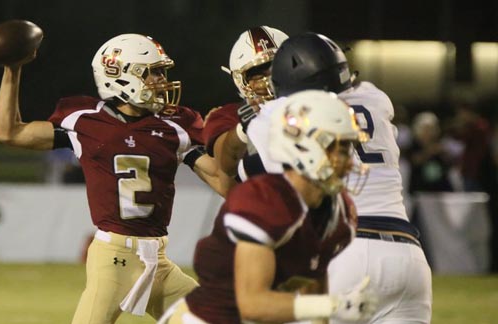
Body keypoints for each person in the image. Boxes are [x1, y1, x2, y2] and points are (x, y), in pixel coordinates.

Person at [0, 33, 224, 323]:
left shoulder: (174, 124)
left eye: (161, 73)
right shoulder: (86, 120)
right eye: (152, 73)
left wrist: (227, 140)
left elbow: (222, 181)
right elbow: (9, 132)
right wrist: (12, 69)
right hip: (113, 258)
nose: (161, 81)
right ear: (122, 75)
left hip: (158, 263)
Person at [255, 32, 431, 323]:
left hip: (347, 250)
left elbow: (251, 170)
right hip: (409, 255)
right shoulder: (375, 97)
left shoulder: (276, 114)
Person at [159, 90, 376, 324]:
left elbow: (312, 287)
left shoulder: (340, 212)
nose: (348, 160)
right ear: (304, 147)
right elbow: (252, 304)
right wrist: (332, 305)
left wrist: (324, 309)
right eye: (340, 149)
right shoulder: (263, 201)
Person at [203, 26, 288, 182]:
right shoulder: (228, 115)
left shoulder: (311, 101)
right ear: (241, 81)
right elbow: (226, 164)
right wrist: (243, 129)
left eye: (276, 67)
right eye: (258, 74)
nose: (270, 79)